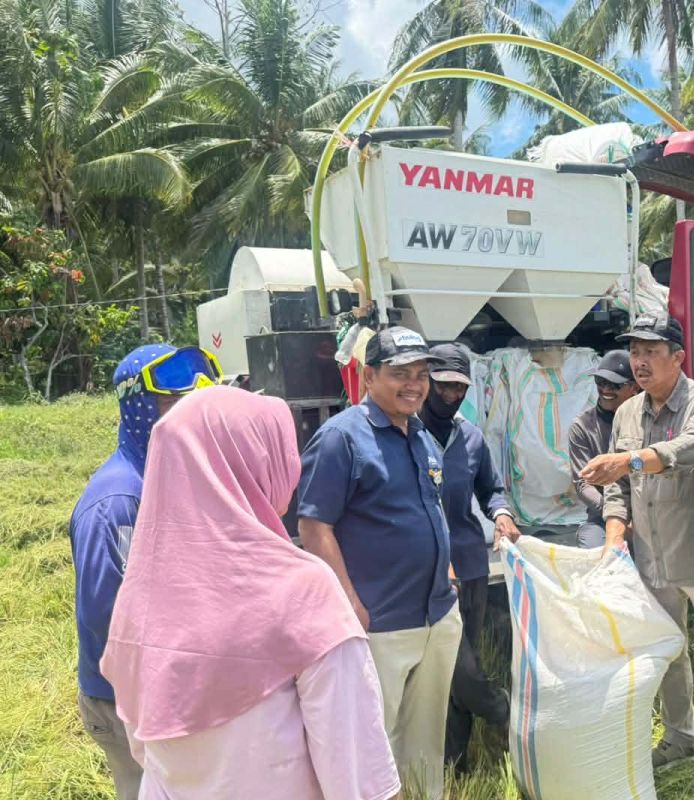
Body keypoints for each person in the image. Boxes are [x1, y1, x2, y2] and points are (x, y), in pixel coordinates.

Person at [100, 387, 400, 800]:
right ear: (254, 463)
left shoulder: (141, 594)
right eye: (278, 450)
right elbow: (359, 779)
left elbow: (144, 744)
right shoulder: (303, 591)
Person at [581, 314, 694, 779]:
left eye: (651, 352)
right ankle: (682, 736)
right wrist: (616, 539)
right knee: (667, 656)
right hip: (653, 563)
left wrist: (629, 460)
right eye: (635, 352)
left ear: (677, 357)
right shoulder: (627, 412)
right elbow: (617, 488)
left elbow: (689, 449)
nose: (639, 362)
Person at [297, 326, 461, 800]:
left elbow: (430, 509)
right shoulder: (341, 438)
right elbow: (314, 526)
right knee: (375, 741)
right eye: (399, 374)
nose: (414, 384)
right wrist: (349, 602)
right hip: (380, 620)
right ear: (369, 376)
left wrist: (447, 575)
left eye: (421, 374)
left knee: (426, 739)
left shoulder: (421, 435)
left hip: (436, 614)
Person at [68, 344, 221, 800]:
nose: (188, 418)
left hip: (174, 686)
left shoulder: (174, 475)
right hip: (126, 701)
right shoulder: (118, 502)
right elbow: (110, 617)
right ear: (138, 406)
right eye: (172, 405)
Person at [419, 342, 519, 771]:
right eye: (442, 386)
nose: (450, 395)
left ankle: (455, 764)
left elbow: (491, 488)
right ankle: (506, 713)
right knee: (456, 670)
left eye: (459, 388)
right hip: (425, 571)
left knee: (465, 660)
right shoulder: (406, 433)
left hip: (471, 567)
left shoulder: (471, 437)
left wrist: (500, 514)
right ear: (427, 382)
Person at [569, 350, 640, 547]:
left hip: (647, 514)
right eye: (600, 382)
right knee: (594, 550)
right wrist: (615, 515)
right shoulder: (582, 426)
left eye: (614, 385)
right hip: (602, 515)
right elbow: (583, 484)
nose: (606, 389)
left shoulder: (646, 421)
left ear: (634, 387)